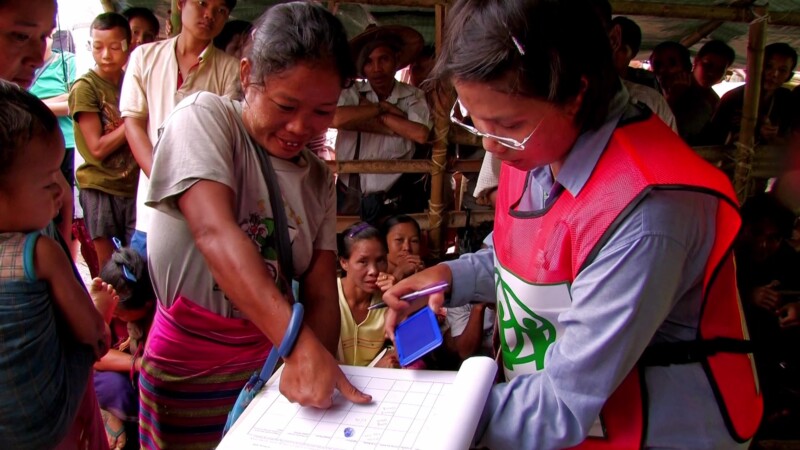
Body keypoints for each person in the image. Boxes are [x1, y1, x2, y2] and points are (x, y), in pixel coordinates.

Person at [382, 0, 762, 448]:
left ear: (576, 93)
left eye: (506, 124)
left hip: (655, 435)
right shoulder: (536, 147)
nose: (491, 146)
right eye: (474, 120)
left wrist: (412, 415)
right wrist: (448, 276)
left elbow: (562, 401)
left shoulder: (648, 211)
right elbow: (521, 257)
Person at [141, 4, 370, 447]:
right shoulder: (205, 119)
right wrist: (297, 345)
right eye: (285, 105)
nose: (301, 127)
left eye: (323, 111)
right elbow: (214, 233)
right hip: (189, 372)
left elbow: (322, 291)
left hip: (270, 371)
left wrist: (315, 370)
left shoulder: (317, 178)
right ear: (246, 75)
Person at [0, 79, 112, 450]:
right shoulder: (38, 252)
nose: (62, 194)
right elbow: (92, 336)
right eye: (49, 181)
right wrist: (101, 311)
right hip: (46, 423)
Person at [121, 0, 240, 259]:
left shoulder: (230, 70)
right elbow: (133, 125)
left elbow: (225, 140)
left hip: (202, 213)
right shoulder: (144, 57)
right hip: (150, 212)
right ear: (181, 4)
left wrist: (190, 195)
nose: (209, 15)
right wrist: (164, 182)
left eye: (220, 11)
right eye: (202, 3)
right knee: (141, 276)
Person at [332, 25, 432, 222]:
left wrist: (380, 115)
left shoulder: (413, 96)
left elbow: (420, 134)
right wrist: (382, 108)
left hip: (396, 195)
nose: (377, 69)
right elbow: (335, 118)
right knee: (348, 240)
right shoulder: (352, 92)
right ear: (362, 66)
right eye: (369, 62)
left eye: (383, 59)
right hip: (351, 194)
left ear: (396, 60)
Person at [70, 13, 138, 272]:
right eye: (98, 47)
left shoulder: (133, 83)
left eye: (114, 47)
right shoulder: (85, 87)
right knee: (109, 267)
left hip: (133, 186)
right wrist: (133, 121)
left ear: (129, 46)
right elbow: (97, 148)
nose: (106, 55)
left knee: (138, 261)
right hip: (100, 186)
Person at [734, 193, 800, 439]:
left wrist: (797, 307)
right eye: (756, 233)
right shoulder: (725, 257)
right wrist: (747, 296)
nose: (763, 244)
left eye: (773, 238)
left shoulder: (787, 259)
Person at [93, 247, 155, 450]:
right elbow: (95, 356)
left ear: (146, 305)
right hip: (119, 376)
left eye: (119, 315)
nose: (114, 316)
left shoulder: (156, 317)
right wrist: (138, 363)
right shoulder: (105, 302)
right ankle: (113, 414)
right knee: (112, 385)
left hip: (140, 384)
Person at [707, 42, 797, 146]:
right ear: (757, 65)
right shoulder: (733, 98)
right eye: (768, 66)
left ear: (789, 76)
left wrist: (773, 138)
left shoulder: (786, 99)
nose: (774, 74)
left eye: (782, 70)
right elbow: (712, 139)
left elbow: (792, 144)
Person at [337, 222, 399, 367]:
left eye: (380, 260)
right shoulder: (330, 297)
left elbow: (406, 350)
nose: (374, 271)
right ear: (344, 262)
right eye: (363, 261)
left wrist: (397, 302)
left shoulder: (387, 298)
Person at [381, 214, 425, 281]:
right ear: (383, 243)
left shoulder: (426, 272)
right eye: (399, 240)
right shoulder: (371, 275)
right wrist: (398, 275)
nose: (407, 248)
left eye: (414, 241)